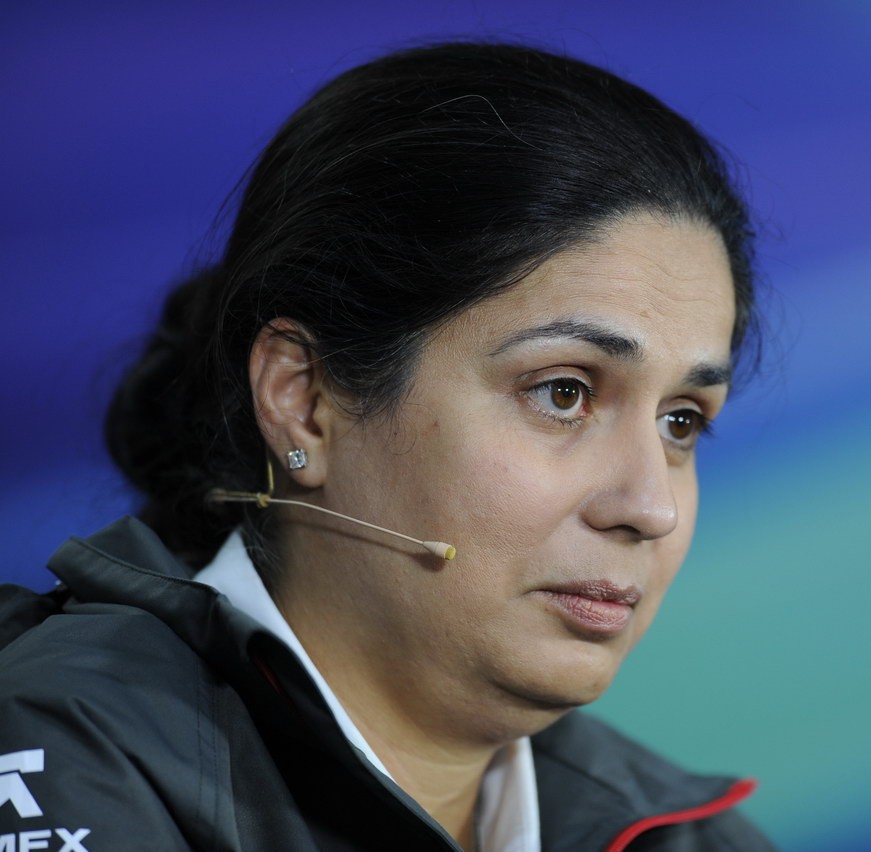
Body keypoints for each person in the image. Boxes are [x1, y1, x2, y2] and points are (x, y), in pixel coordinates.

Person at [0, 42, 774, 850]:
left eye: (681, 421)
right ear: (304, 402)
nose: (648, 507)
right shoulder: (64, 752)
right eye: (563, 392)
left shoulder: (693, 839)